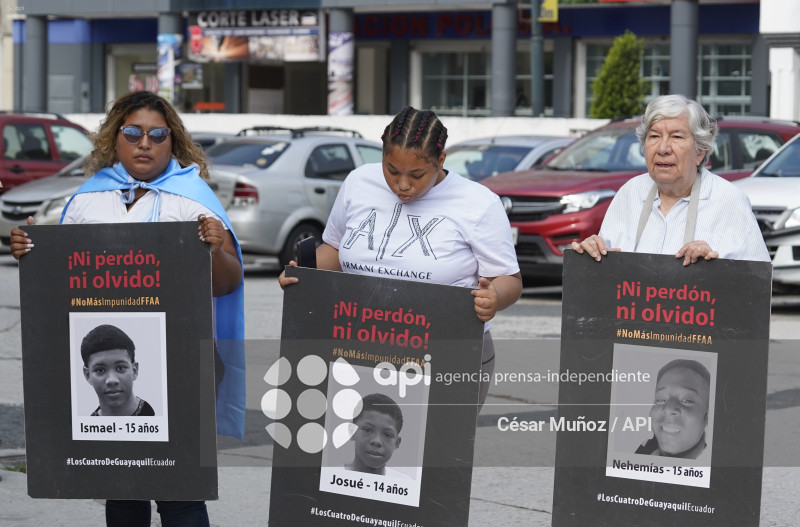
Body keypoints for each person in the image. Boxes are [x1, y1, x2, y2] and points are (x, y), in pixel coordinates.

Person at [9, 90, 245, 527]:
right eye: (133, 132)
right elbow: (60, 285)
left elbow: (229, 281)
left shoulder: (192, 199)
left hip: (184, 361)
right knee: (121, 486)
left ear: (171, 141)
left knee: (180, 489)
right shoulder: (86, 200)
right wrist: (31, 252)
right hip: (114, 358)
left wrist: (213, 248)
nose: (145, 143)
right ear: (114, 139)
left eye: (158, 135)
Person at [279, 106, 522, 406]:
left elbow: (509, 279)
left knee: (434, 450)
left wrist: (494, 297)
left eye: (417, 174)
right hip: (360, 343)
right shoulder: (359, 182)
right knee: (355, 444)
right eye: (391, 170)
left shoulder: (479, 203)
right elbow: (335, 250)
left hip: (446, 351)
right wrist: (304, 273)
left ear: (441, 160)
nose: (402, 184)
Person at [572, 94, 769, 264]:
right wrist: (592, 255)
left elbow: (755, 286)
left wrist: (714, 268)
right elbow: (607, 275)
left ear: (700, 151)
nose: (663, 148)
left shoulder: (728, 201)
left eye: (676, 137)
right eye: (654, 136)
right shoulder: (629, 193)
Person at [635, 359, 711, 460]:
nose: (669, 409)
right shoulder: (644, 450)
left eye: (687, 400)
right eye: (661, 399)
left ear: (707, 416)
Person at [81, 324, 155, 417]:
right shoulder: (86, 428)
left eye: (120, 368)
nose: (112, 380)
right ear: (88, 375)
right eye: (100, 370)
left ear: (134, 370)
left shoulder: (156, 419)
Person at [345, 393, 407, 477]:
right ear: (352, 431)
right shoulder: (330, 477)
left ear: (397, 443)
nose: (376, 441)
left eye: (387, 435)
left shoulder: (403, 484)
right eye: (367, 430)